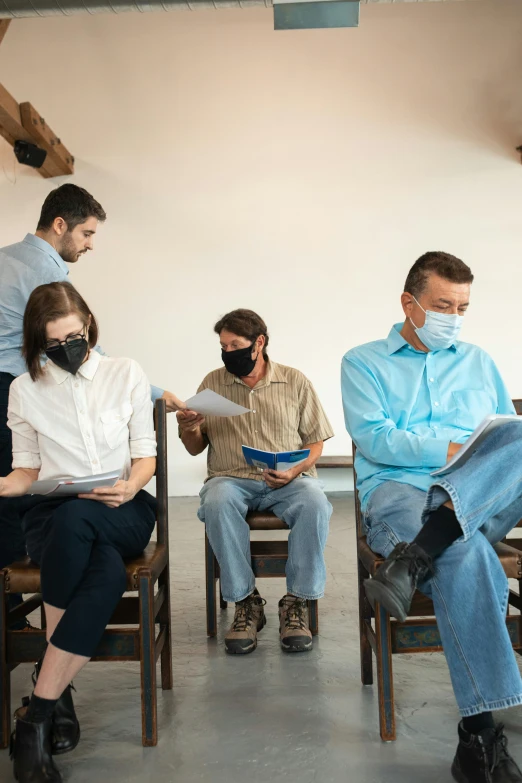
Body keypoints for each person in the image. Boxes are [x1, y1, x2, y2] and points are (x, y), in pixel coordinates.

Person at [342, 251, 522, 783]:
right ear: (410, 303)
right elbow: (374, 437)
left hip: (478, 493)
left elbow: (505, 443)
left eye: (463, 307)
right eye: (444, 305)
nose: (455, 317)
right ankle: (480, 736)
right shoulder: (363, 361)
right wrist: (448, 448)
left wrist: (475, 457)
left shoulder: (478, 360)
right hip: (399, 490)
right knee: (466, 554)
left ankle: (416, 555)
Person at [0, 184, 183, 629]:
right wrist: (155, 392)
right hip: (15, 384)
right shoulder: (48, 276)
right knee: (27, 501)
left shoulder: (5, 257)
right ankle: (20, 620)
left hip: (14, 386)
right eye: (86, 233)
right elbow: (85, 355)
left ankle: (19, 625)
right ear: (59, 225)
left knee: (19, 503)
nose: (89, 244)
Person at [2, 281, 158, 783]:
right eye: (54, 344)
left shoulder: (125, 372)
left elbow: (144, 454)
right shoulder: (24, 388)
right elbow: (26, 471)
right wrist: (6, 484)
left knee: (79, 517)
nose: (67, 349)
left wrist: (129, 486)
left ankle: (42, 704)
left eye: (74, 337)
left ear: (88, 325)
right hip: (56, 514)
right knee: (103, 571)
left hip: (122, 508)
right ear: (37, 343)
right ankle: (43, 713)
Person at [177, 309, 333, 655]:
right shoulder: (212, 383)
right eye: (222, 345)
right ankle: (246, 603)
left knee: (316, 501)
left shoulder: (295, 381)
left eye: (235, 344)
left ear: (258, 343)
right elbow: (194, 447)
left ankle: (296, 602)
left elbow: (316, 440)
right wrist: (189, 426)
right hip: (231, 479)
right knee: (215, 501)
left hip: (288, 479)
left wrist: (295, 470)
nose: (227, 351)